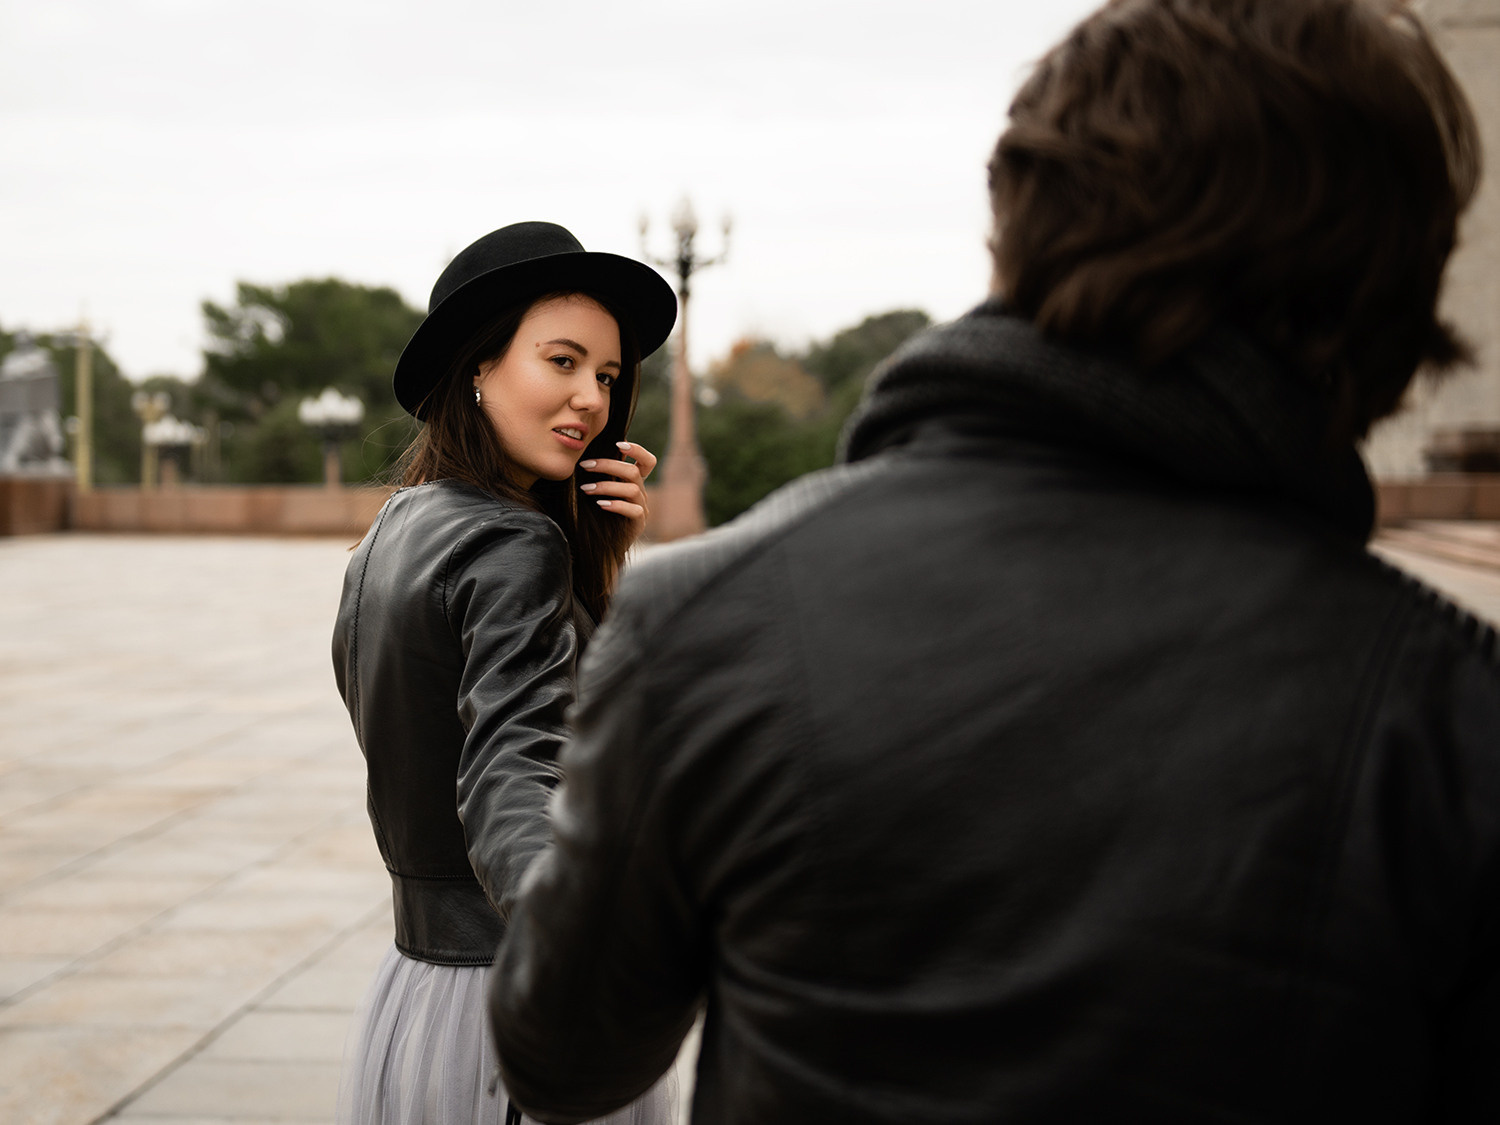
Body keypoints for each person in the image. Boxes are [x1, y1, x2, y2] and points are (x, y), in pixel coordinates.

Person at [488, 2, 1500, 1122]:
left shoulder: (706, 615)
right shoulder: (1454, 711)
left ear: (1018, 223)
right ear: (1396, 304)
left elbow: (564, 1057)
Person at [332, 221, 679, 1125]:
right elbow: (513, 769)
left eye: (605, 375)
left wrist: (596, 562)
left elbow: (503, 729)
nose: (591, 399)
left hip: (416, 997)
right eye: (560, 361)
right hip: (517, 1001)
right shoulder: (516, 542)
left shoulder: (391, 533)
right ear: (478, 366)